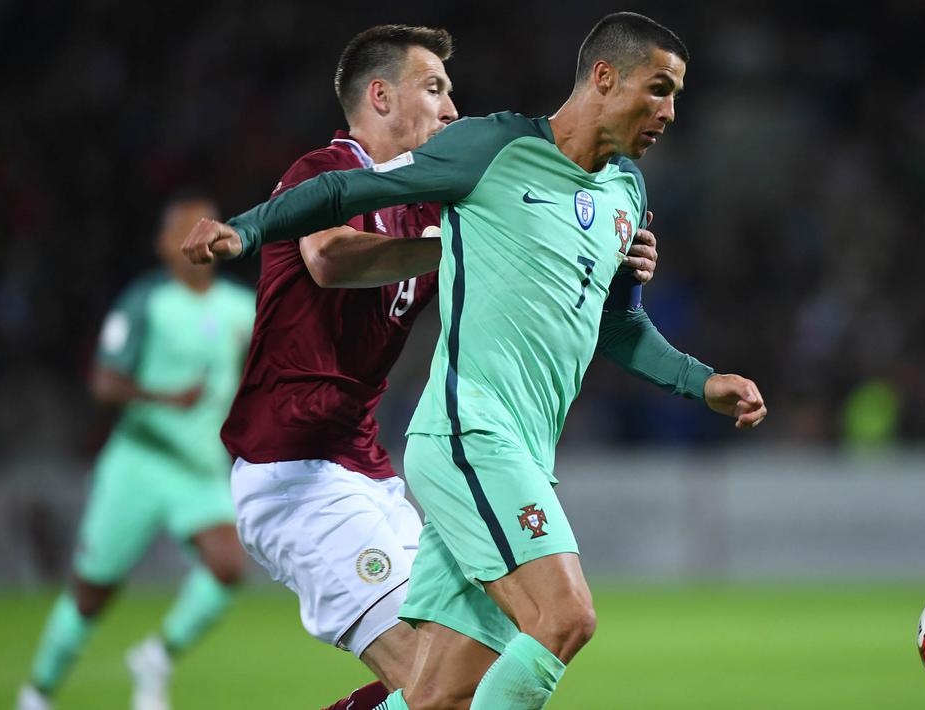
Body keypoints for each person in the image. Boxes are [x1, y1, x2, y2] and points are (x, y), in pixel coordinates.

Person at [182, 11, 767, 709]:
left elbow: (613, 318)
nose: (452, 106)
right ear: (380, 96)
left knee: (444, 691)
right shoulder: (359, 167)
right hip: (300, 468)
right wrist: (243, 234)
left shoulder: (614, 191)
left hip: (373, 465)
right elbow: (329, 252)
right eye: (434, 87)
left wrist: (699, 381)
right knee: (558, 620)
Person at [17, 192, 256, 710]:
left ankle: (157, 655)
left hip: (199, 469)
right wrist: (163, 397)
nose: (198, 237)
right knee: (92, 593)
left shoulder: (242, 307)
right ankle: (37, 692)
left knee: (228, 566)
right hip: (140, 461)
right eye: (183, 229)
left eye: (207, 225)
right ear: (165, 245)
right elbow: (104, 382)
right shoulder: (145, 301)